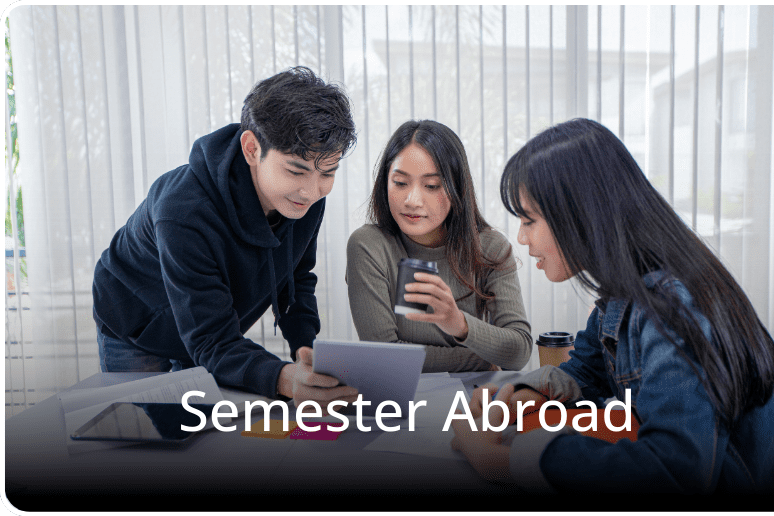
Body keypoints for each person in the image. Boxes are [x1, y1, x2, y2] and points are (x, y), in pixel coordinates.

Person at [450, 118, 774, 499]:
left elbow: (673, 472)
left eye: (529, 220)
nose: (521, 237)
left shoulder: (672, 310)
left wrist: (496, 459)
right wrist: (521, 396)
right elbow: (587, 370)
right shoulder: (625, 292)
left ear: (582, 215)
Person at [92, 67, 359, 408]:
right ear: (251, 149)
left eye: (328, 173)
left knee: (205, 439)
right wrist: (282, 378)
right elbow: (212, 342)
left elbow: (295, 277)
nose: (312, 190)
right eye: (296, 170)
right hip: (137, 323)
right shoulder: (183, 211)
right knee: (146, 444)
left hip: (205, 322)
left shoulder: (302, 197)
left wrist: (304, 349)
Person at [346, 120, 532, 372]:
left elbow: (518, 351)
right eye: (400, 183)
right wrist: (479, 360)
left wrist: (458, 324)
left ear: (457, 188)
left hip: (472, 402)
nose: (412, 201)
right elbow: (385, 357)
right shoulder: (369, 246)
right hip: (402, 403)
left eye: (431, 186)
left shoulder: (490, 248)